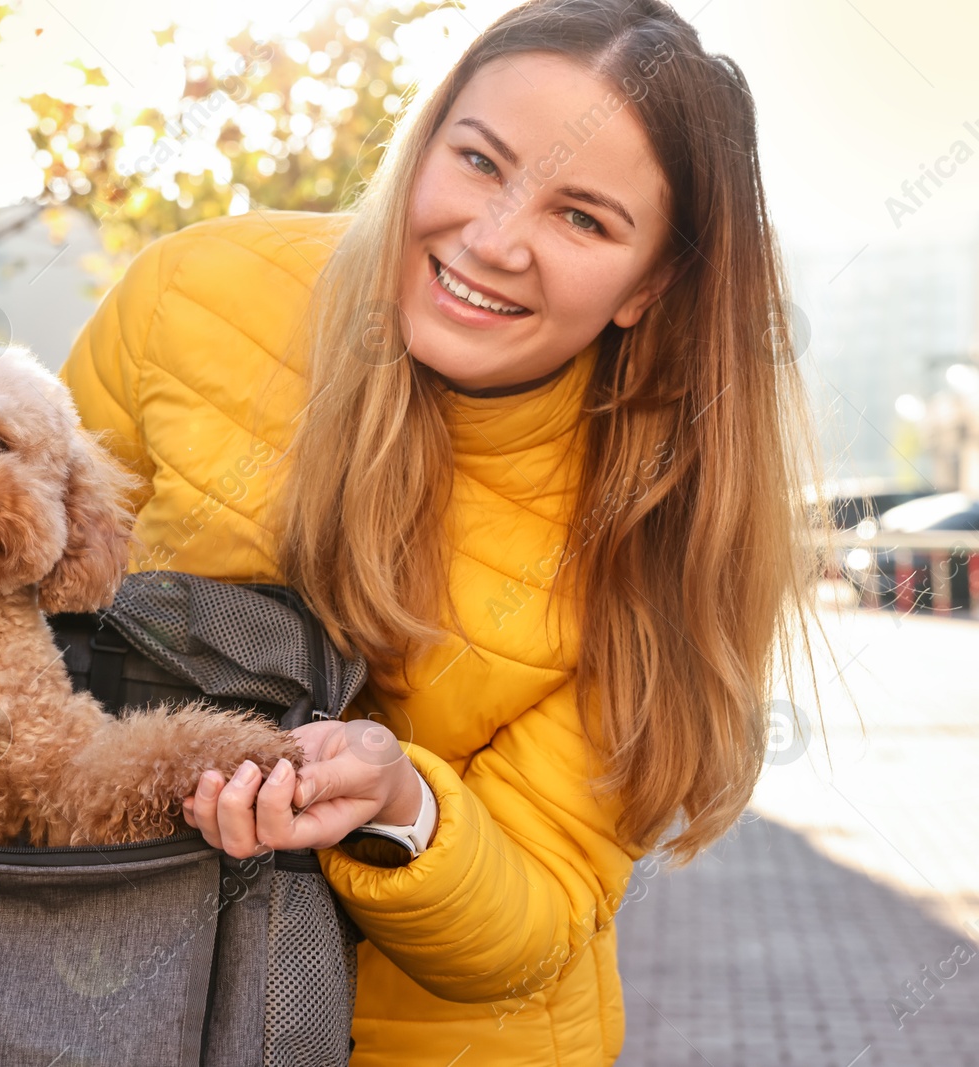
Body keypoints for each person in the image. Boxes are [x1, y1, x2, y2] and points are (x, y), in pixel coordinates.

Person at [59, 0, 817, 1062]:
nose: (494, 240)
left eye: (582, 218)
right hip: (108, 1002)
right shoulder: (194, 295)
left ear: (648, 286)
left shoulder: (657, 527)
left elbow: (535, 920)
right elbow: (7, 592)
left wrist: (401, 801)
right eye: (477, 160)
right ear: (423, 142)